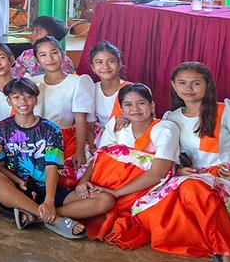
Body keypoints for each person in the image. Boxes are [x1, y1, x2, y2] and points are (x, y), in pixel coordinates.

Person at [135, 62, 230, 260]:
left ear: (207, 85)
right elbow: (173, 155)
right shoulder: (171, 117)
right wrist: (178, 171)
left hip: (227, 176)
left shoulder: (225, 110)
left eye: (196, 83)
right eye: (182, 83)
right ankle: (206, 244)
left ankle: (228, 252)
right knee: (148, 209)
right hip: (193, 176)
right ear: (173, 85)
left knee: (191, 189)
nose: (188, 88)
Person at [63, 83, 178, 248]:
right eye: (128, 105)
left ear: (152, 106)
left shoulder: (165, 128)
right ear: (122, 109)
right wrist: (84, 181)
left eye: (141, 103)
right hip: (101, 185)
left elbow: (157, 174)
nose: (135, 109)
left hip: (138, 191)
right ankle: (51, 215)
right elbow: (99, 158)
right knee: (83, 199)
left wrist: (116, 192)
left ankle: (49, 216)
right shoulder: (116, 126)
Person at [0, 78, 92, 238]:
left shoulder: (51, 129)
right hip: (17, 192)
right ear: (9, 100)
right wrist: (18, 182)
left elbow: (52, 167)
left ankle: (37, 216)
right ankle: (55, 220)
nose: (23, 102)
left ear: (36, 99)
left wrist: (49, 201)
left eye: (28, 96)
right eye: (16, 97)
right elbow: (0, 167)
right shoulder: (0, 128)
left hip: (49, 188)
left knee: (104, 201)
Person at [31, 36, 94, 186]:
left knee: (63, 178)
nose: (49, 59)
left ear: (63, 55)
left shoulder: (77, 82)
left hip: (64, 138)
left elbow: (80, 121)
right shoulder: (32, 82)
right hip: (35, 138)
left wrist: (79, 151)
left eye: (54, 53)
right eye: (43, 55)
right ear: (37, 60)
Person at [87, 41, 129, 137]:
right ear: (93, 67)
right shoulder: (91, 90)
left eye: (111, 61)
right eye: (99, 62)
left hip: (127, 139)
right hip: (102, 138)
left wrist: (129, 119)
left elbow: (149, 121)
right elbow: (90, 124)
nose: (105, 66)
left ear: (119, 64)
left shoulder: (132, 90)